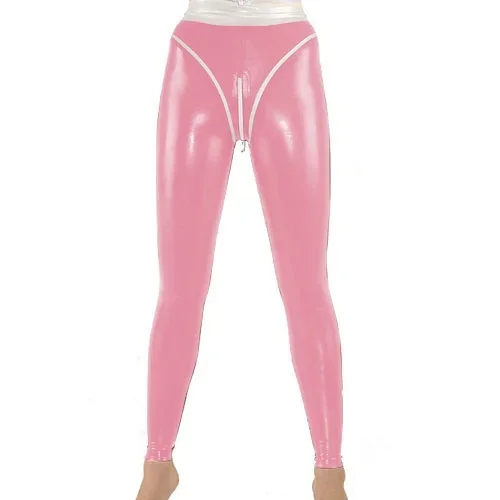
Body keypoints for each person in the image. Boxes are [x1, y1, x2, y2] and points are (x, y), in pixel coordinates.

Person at [137, 1, 347, 499]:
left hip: (286, 50)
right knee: (179, 289)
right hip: (196, 54)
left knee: (306, 286)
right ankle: (157, 464)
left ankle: (330, 470)